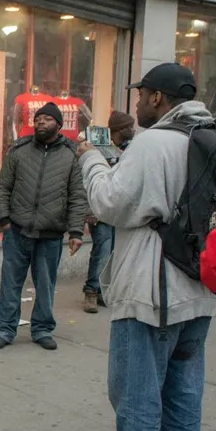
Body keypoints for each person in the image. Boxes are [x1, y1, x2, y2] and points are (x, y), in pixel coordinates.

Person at [77, 63, 216, 431]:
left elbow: (110, 203)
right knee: (183, 392)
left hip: (152, 293)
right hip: (199, 292)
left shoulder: (154, 142)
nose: (136, 103)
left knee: (137, 395)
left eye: (141, 95)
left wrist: (92, 160)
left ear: (158, 98)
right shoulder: (210, 139)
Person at [0, 102, 87, 351]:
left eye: (47, 119)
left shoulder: (70, 155)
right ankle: (5, 329)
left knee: (45, 285)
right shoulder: (19, 151)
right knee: (10, 282)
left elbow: (77, 195)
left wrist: (76, 231)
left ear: (59, 124)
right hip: (17, 230)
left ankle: (42, 329)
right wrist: (4, 219)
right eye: (38, 118)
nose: (41, 122)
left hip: (50, 234)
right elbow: (3, 186)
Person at [82, 111, 136, 314]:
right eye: (129, 127)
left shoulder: (129, 150)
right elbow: (87, 180)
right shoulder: (97, 149)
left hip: (118, 208)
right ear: (119, 130)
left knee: (114, 251)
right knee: (102, 250)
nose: (132, 130)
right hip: (100, 208)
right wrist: (89, 210)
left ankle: (105, 291)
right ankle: (91, 291)